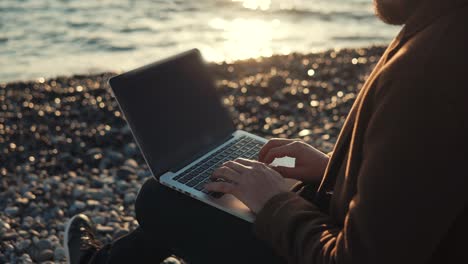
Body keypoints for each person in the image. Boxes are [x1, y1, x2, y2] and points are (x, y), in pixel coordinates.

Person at [63, 0, 468, 263]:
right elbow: (421, 190)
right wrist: (334, 169)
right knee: (212, 190)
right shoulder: (446, 30)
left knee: (161, 199)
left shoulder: (431, 69)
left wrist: (273, 201)